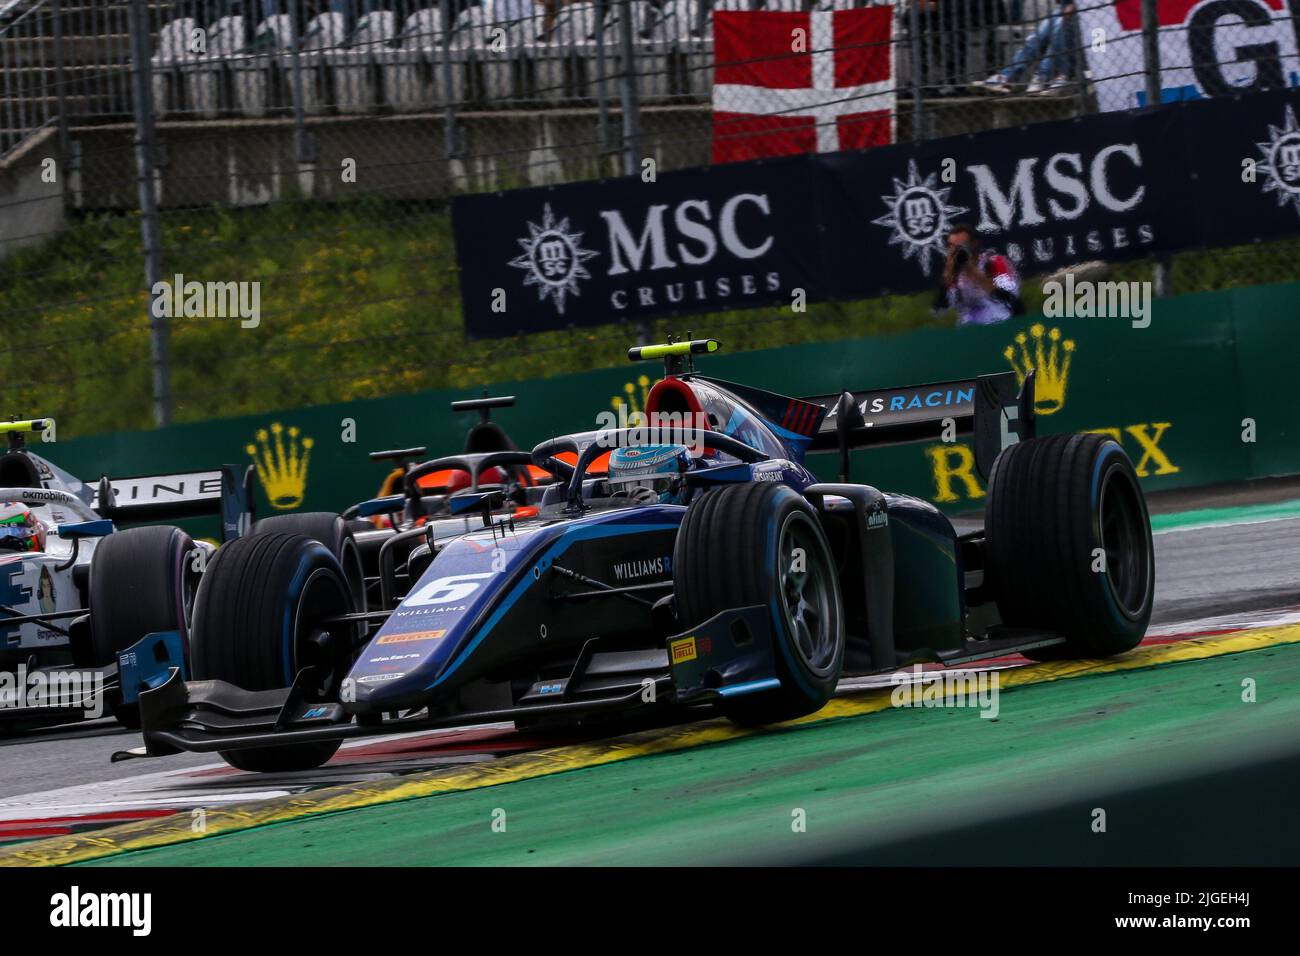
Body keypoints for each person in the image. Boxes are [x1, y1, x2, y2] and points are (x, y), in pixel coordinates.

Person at [973, 0, 1078, 95]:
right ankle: (1007, 77)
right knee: (1039, 35)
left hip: (1083, 13)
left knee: (1059, 26)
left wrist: (1073, 6)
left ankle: (1047, 77)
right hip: (1067, 7)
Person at [932, 224, 1022, 326]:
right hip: (970, 331)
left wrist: (973, 272)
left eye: (961, 246)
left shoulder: (994, 262)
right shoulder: (954, 274)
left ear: (974, 244)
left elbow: (1010, 299)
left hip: (1000, 323)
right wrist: (947, 277)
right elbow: (939, 311)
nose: (956, 251)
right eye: (951, 246)